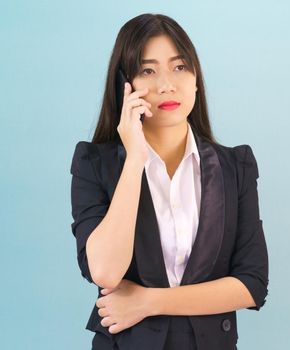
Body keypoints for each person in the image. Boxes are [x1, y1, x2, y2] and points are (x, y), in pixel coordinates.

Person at [69, 13, 268, 350]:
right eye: (148, 70)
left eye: (179, 67)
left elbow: (251, 285)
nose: (166, 84)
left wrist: (149, 302)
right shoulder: (94, 163)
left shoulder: (236, 166)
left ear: (195, 80)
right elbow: (104, 271)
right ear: (124, 84)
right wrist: (134, 160)